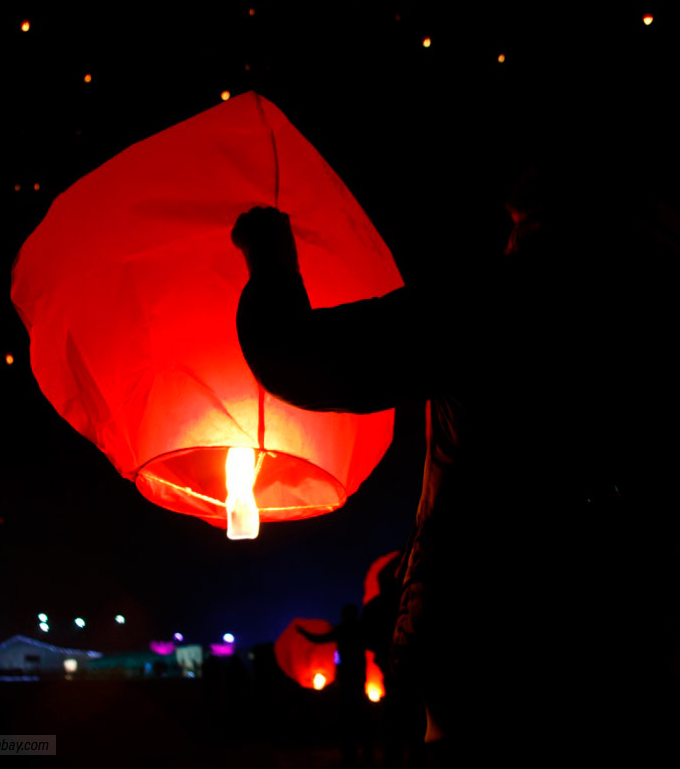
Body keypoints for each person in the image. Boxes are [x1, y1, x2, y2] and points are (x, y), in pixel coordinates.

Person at [231, 150, 679, 764]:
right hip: (632, 638)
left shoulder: (501, 302)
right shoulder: (668, 316)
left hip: (486, 635)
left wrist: (270, 263)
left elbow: (305, 359)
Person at [298, 605, 373, 768]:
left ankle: (350, 753)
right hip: (358, 677)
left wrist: (304, 634)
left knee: (347, 716)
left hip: (347, 678)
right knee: (361, 714)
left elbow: (320, 639)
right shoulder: (359, 629)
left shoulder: (343, 630)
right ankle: (366, 751)